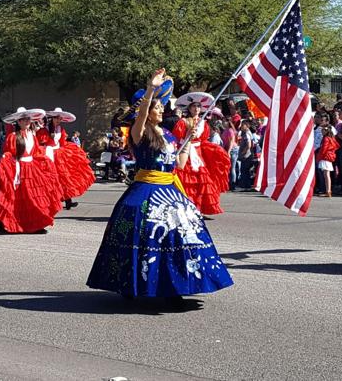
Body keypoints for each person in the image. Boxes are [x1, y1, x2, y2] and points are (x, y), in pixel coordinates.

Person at [87, 68, 232, 298]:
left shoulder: (170, 134)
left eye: (160, 106)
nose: (161, 109)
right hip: (146, 189)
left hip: (170, 189)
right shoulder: (139, 132)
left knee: (184, 230)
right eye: (157, 107)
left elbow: (179, 164)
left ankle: (175, 284)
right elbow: (142, 115)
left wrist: (188, 140)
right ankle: (143, 286)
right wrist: (151, 90)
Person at [0, 107, 62, 233]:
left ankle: (37, 224)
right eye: (24, 119)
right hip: (18, 168)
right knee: (14, 197)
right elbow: (9, 153)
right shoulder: (13, 136)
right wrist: (7, 163)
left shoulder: (32, 135)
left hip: (31, 168)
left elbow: (36, 152)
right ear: (18, 122)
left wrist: (45, 160)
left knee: (35, 196)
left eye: (28, 119)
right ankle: (6, 222)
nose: (27, 121)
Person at [172, 94, 231, 215]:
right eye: (194, 106)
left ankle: (199, 208)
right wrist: (187, 136)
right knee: (186, 180)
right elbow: (176, 139)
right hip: (186, 153)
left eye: (198, 106)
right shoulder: (183, 122)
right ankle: (185, 205)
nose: (196, 109)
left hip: (198, 155)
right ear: (189, 108)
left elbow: (203, 140)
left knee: (201, 181)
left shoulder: (203, 123)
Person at [37, 107, 95, 210]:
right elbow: (40, 143)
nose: (59, 120)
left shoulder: (60, 129)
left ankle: (68, 200)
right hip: (48, 155)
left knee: (65, 178)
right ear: (52, 118)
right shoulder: (43, 130)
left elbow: (62, 142)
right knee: (52, 179)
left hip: (59, 155)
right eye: (57, 118)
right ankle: (51, 200)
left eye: (60, 118)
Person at [316, 124, 339, 197]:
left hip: (325, 157)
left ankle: (328, 191)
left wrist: (319, 157)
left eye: (323, 130)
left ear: (326, 131)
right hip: (328, 157)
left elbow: (324, 149)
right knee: (327, 175)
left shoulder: (326, 138)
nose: (321, 131)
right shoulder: (331, 138)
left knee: (326, 175)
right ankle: (328, 190)